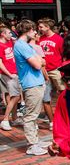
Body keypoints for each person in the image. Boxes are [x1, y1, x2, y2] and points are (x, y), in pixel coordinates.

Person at [13, 20, 48, 155]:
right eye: (33, 30)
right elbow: (38, 64)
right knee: (31, 115)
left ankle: (35, 140)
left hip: (35, 82)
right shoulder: (21, 45)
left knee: (33, 114)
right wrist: (39, 60)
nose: (35, 32)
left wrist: (39, 60)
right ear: (27, 30)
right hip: (31, 83)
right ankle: (32, 145)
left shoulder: (25, 45)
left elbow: (41, 60)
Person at [38, 18, 65, 129]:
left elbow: (63, 54)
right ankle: (51, 122)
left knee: (64, 93)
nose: (39, 29)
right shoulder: (40, 39)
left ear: (48, 27)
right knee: (46, 97)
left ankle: (65, 117)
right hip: (43, 70)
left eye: (41, 27)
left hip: (56, 69)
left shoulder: (58, 39)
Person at [0, 27, 22, 131]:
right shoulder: (0, 45)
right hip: (9, 74)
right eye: (9, 33)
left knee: (15, 96)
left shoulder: (9, 42)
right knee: (16, 97)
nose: (11, 34)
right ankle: (5, 120)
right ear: (3, 34)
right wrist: (9, 74)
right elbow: (0, 63)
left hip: (14, 73)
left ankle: (14, 118)